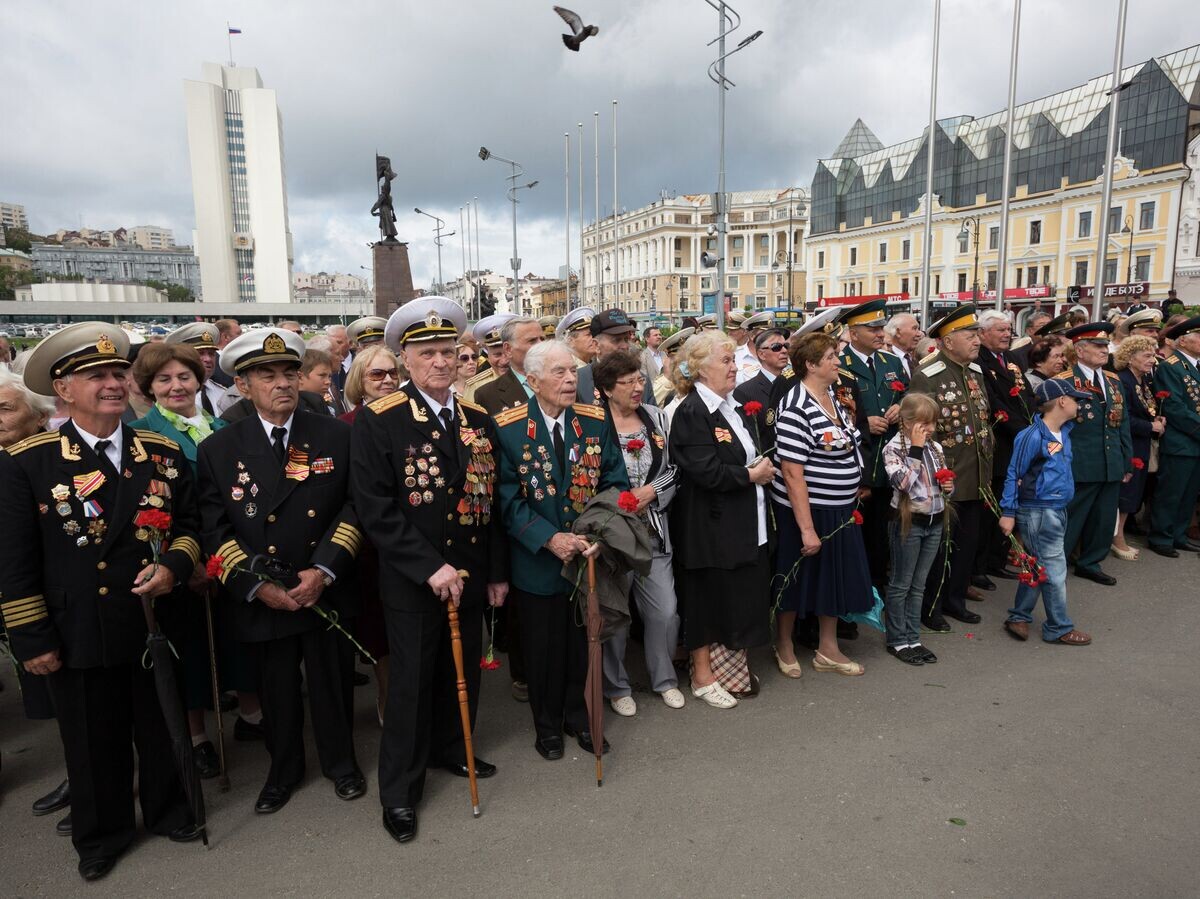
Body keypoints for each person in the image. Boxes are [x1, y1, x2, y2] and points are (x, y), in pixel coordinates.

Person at [1, 322, 204, 881]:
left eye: (118, 373)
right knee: (92, 740)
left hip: (152, 618)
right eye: (96, 376)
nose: (112, 384)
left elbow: (190, 528)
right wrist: (32, 639)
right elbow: (14, 563)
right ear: (63, 389)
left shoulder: (158, 451)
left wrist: (173, 566)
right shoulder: (29, 461)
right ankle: (102, 833)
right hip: (79, 624)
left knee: (161, 723)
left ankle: (168, 810)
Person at [350, 298, 509, 845]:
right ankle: (399, 791)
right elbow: (376, 508)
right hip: (414, 580)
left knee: (457, 672)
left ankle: (451, 750)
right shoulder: (380, 420)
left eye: (450, 352)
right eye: (428, 353)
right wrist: (429, 566)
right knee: (413, 685)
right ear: (406, 359)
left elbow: (491, 505)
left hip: (468, 573)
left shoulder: (477, 419)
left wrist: (493, 572)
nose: (441, 362)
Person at [196, 327, 366, 816]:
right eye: (266, 375)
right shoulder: (220, 449)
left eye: (289, 372)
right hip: (264, 590)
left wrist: (325, 571)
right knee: (277, 691)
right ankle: (283, 770)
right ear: (243, 386)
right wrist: (255, 585)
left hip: (322, 584)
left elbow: (355, 508)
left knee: (332, 681)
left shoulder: (336, 434)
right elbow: (214, 529)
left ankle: (342, 763)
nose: (282, 383)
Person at [129, 342, 261, 779]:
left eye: (184, 376)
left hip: (232, 553)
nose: (176, 386)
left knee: (238, 640)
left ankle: (251, 716)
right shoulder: (143, 434)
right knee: (190, 651)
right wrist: (190, 563)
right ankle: (198, 738)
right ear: (149, 388)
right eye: (163, 379)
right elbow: (158, 510)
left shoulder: (221, 424)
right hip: (182, 562)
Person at [494, 340, 627, 757]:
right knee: (542, 650)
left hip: (587, 556)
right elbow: (506, 498)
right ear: (532, 380)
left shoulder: (592, 420)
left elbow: (615, 483)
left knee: (583, 646)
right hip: (537, 561)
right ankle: (547, 726)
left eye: (572, 371)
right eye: (559, 372)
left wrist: (599, 533)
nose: (571, 380)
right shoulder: (509, 427)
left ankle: (581, 719)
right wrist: (549, 538)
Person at [669, 330, 775, 707]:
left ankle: (730, 669)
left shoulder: (729, 405)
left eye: (733, 360)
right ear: (700, 369)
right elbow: (705, 472)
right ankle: (702, 676)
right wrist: (752, 475)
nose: (735, 367)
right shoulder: (692, 411)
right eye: (726, 361)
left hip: (741, 522)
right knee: (708, 600)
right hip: (710, 527)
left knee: (737, 598)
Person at [772, 331, 869, 678]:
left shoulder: (831, 397)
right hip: (807, 513)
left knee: (833, 579)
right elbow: (792, 473)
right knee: (794, 578)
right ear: (811, 365)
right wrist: (807, 528)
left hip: (838, 511)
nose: (838, 362)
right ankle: (783, 644)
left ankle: (828, 648)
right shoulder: (796, 406)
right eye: (831, 357)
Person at [0, 367, 73, 829]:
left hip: (51, 602)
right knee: (47, 696)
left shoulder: (51, 463)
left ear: (39, 414)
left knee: (72, 695)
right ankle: (81, 772)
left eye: (7, 409)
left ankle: (93, 778)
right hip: (13, 601)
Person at [593, 350, 685, 713]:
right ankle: (617, 687)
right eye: (627, 381)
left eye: (640, 379)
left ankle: (664, 679)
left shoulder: (656, 417)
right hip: (614, 535)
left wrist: (652, 492)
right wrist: (618, 501)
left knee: (666, 611)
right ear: (605, 389)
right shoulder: (591, 422)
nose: (637, 387)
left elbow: (675, 468)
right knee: (615, 613)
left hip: (654, 530)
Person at [908, 304, 992, 632]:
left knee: (966, 544)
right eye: (969, 335)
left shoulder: (975, 372)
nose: (976, 340)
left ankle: (955, 600)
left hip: (976, 474)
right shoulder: (929, 374)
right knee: (938, 547)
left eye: (976, 334)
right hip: (945, 477)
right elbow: (919, 429)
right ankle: (932, 606)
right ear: (947, 340)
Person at [998, 379, 1094, 646]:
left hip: (1055, 508)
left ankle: (1018, 616)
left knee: (1037, 565)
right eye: (1075, 399)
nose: (1079, 404)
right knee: (1055, 569)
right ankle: (1058, 627)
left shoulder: (1064, 432)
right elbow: (1014, 473)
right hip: (1040, 511)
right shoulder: (1031, 436)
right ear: (1062, 401)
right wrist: (1008, 511)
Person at [340, 343, 403, 723]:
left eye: (393, 372)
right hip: (370, 547)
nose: (387, 380)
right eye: (376, 374)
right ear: (358, 383)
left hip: (413, 542)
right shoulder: (345, 427)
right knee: (380, 632)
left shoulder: (412, 417)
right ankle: (387, 694)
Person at [839, 298, 907, 595]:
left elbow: (909, 395)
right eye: (873, 328)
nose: (881, 334)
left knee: (881, 537)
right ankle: (852, 598)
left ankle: (875, 593)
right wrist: (865, 424)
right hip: (858, 467)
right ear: (853, 333)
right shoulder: (840, 365)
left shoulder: (891, 362)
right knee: (854, 538)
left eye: (882, 328)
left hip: (889, 466)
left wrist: (901, 408)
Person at [1056, 323, 1132, 585]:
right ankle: (1057, 564)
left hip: (1110, 462)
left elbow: (1122, 422)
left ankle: (1091, 562)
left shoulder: (1112, 380)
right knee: (1072, 518)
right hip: (1080, 462)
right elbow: (1054, 427)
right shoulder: (1064, 382)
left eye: (1105, 345)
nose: (1105, 350)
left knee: (1103, 518)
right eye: (1098, 346)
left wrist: (1126, 459)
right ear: (1079, 350)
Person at [882, 393, 951, 666]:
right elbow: (904, 483)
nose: (930, 429)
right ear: (907, 422)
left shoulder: (935, 447)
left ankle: (914, 637)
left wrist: (948, 486)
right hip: (908, 522)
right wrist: (916, 450)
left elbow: (941, 482)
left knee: (919, 584)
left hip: (934, 519)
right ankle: (897, 640)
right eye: (924, 423)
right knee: (901, 583)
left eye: (932, 423)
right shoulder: (894, 448)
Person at [975, 310, 1035, 588]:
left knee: (1008, 504)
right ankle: (981, 566)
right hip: (1002, 443)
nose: (1006, 334)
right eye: (1000, 330)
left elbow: (1026, 396)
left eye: (1009, 329)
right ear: (983, 333)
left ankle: (997, 560)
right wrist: (1024, 432)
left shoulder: (1009, 359)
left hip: (1020, 441)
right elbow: (994, 403)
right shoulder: (980, 361)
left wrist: (1035, 426)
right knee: (992, 509)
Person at [1147, 317, 1200, 557]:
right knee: (1171, 492)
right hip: (1181, 440)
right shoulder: (1171, 366)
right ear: (1183, 340)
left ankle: (1178, 534)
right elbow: (1174, 407)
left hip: (1194, 442)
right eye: (1198, 335)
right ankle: (1161, 537)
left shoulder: (1196, 365)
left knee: (1189, 492)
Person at [1113, 335, 1164, 559]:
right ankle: (1117, 538)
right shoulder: (1123, 380)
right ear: (1130, 358)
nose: (1152, 360)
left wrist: (1158, 420)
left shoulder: (1142, 380)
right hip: (1130, 445)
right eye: (1147, 355)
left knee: (1132, 494)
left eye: (1153, 355)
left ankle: (1117, 534)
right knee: (1125, 494)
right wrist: (1150, 426)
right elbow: (1123, 418)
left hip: (1140, 445)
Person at [576, 309, 656, 406]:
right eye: (616, 340)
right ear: (596, 345)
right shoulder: (579, 380)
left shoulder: (643, 381)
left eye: (626, 339)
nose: (624, 346)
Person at [475, 316, 543, 413]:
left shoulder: (563, 382)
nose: (540, 345)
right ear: (508, 349)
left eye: (542, 339)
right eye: (532, 341)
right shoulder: (487, 395)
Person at [165, 322, 230, 416]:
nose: (208, 359)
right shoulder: (174, 394)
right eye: (200, 353)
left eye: (211, 354)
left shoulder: (222, 393)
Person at [733, 326, 790, 429]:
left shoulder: (795, 383)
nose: (784, 351)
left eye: (786, 346)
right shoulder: (744, 392)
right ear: (761, 354)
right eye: (776, 347)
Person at [462, 313, 516, 401]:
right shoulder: (476, 386)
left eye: (507, 353)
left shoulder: (532, 379)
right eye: (497, 355)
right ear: (488, 354)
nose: (503, 361)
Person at [305, 336, 348, 414]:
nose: (342, 359)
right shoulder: (310, 390)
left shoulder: (333, 380)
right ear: (323, 356)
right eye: (338, 354)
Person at [655, 327, 693, 411]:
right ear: (669, 360)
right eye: (680, 359)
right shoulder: (663, 381)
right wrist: (667, 378)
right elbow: (652, 402)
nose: (685, 363)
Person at [734, 311, 777, 383]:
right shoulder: (735, 355)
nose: (771, 338)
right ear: (752, 336)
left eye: (771, 334)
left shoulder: (777, 355)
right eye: (765, 335)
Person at [884, 312, 924, 378]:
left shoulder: (917, 359)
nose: (919, 334)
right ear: (898, 332)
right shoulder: (885, 361)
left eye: (918, 329)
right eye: (914, 328)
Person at [298, 348, 337, 415]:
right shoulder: (293, 409)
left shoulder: (326, 404)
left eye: (329, 376)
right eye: (322, 375)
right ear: (300, 377)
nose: (328, 382)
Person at [210, 318, 242, 387]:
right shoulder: (211, 364)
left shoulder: (239, 359)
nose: (242, 337)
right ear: (225, 337)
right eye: (238, 333)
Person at [325, 324, 352, 390]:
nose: (333, 346)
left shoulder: (361, 362)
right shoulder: (323, 365)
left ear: (350, 343)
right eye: (329, 343)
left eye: (339, 342)